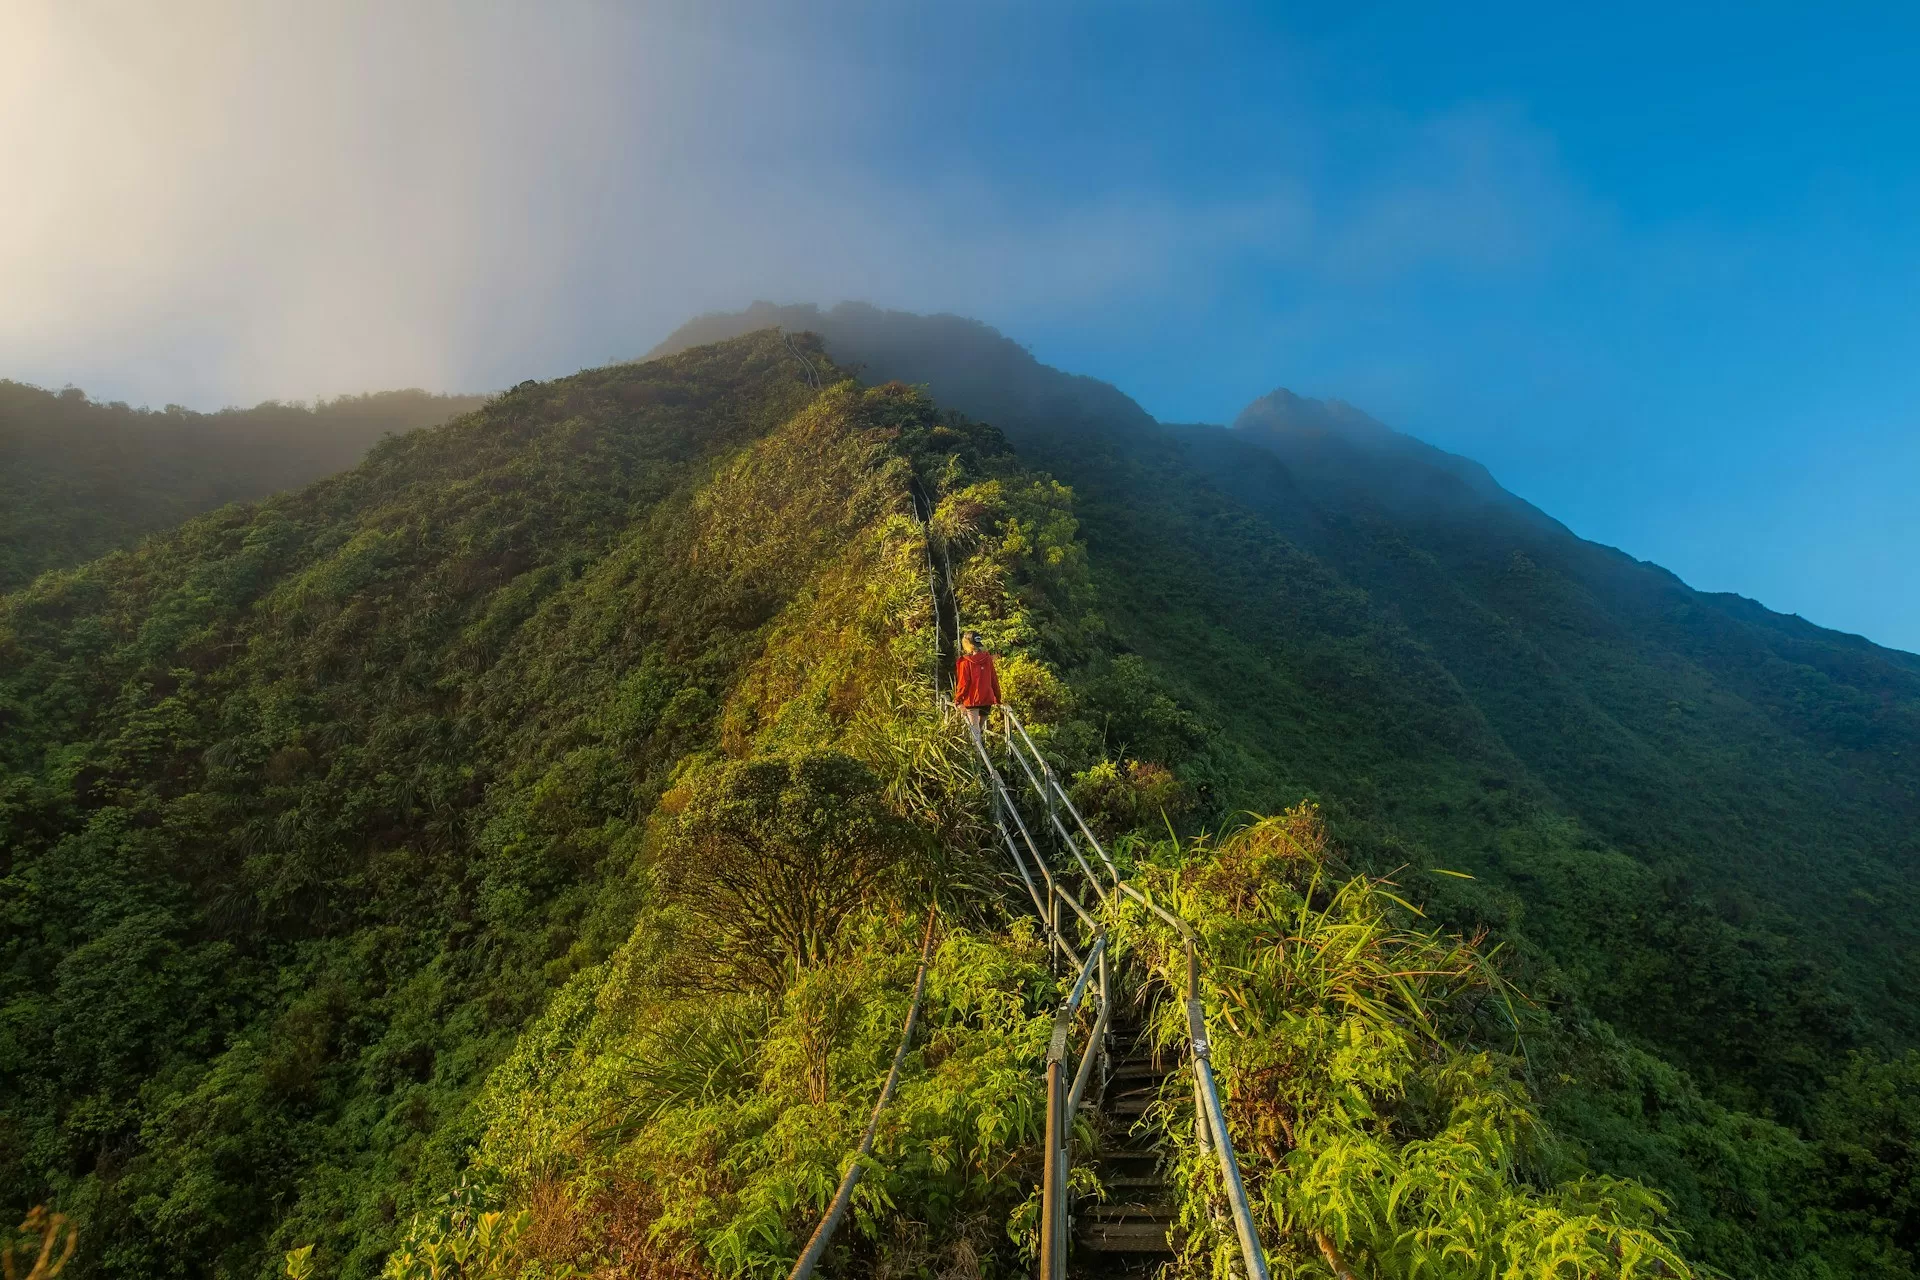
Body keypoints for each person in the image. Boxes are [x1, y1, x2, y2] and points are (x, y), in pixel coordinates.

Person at [954, 631, 1001, 739]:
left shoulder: (965, 662)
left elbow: (963, 683)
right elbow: (994, 680)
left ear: (966, 643)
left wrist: (958, 700)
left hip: (972, 700)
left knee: (974, 730)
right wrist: (998, 698)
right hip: (986, 699)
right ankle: (981, 751)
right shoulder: (988, 659)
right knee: (979, 729)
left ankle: (977, 754)